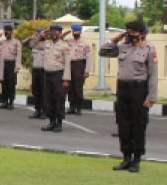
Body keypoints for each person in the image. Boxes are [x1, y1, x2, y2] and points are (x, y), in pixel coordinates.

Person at [101, 20, 157, 173]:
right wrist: (116, 39)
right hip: (123, 88)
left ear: (140, 33)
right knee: (123, 124)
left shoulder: (149, 49)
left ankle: (136, 159)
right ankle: (126, 157)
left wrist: (151, 97)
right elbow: (103, 51)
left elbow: (153, 75)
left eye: (133, 31)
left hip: (139, 89)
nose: (130, 34)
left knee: (138, 125)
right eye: (128, 31)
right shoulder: (122, 47)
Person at [40, 24, 71, 133]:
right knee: (48, 99)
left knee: (59, 99)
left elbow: (68, 63)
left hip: (59, 75)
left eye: (56, 31)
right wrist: (42, 35)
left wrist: (66, 79)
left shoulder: (64, 46)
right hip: (47, 74)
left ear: (60, 33)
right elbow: (31, 44)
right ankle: (51, 122)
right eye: (52, 31)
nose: (54, 33)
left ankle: (59, 123)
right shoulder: (47, 43)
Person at [0, 23, 22, 109]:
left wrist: (17, 66)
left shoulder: (16, 42)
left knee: (11, 84)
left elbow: (19, 55)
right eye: (5, 31)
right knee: (3, 84)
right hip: (3, 64)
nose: (6, 33)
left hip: (12, 64)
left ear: (12, 32)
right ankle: (4, 101)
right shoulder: (2, 42)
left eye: (8, 31)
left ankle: (11, 102)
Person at [66, 24, 89, 115]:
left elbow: (89, 57)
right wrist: (65, 33)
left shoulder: (85, 43)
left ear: (80, 31)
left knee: (78, 87)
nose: (74, 32)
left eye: (76, 31)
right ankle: (71, 107)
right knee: (70, 87)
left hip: (79, 65)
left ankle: (79, 107)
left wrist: (87, 70)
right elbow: (59, 39)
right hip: (69, 65)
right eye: (73, 30)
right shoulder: (69, 41)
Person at [27, 27, 47, 120]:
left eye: (43, 33)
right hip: (35, 70)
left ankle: (44, 111)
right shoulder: (33, 42)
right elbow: (27, 44)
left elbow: (41, 47)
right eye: (40, 33)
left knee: (44, 92)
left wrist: (38, 39)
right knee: (36, 91)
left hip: (44, 70)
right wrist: (37, 37)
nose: (42, 35)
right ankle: (37, 110)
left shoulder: (48, 43)